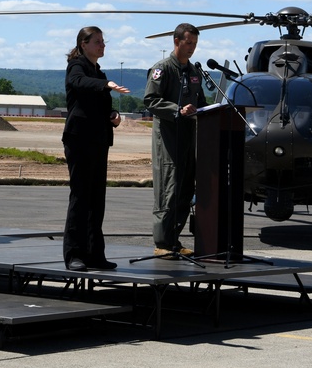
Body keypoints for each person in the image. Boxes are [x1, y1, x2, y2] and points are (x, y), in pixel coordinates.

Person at [61, 26, 130, 271]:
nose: (103, 45)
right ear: (83, 43)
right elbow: (78, 83)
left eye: (103, 41)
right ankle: (74, 255)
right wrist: (106, 85)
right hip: (79, 139)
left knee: (96, 199)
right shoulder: (77, 66)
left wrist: (113, 114)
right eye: (98, 41)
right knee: (80, 197)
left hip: (99, 139)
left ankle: (94, 253)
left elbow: (102, 106)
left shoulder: (100, 72)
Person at [143, 22, 207, 257]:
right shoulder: (162, 69)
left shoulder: (193, 71)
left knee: (184, 189)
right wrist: (177, 109)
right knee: (168, 190)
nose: (192, 48)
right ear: (176, 41)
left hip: (188, 138)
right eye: (189, 43)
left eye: (195, 44)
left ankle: (174, 240)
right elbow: (150, 100)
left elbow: (201, 102)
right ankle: (162, 243)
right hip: (168, 140)